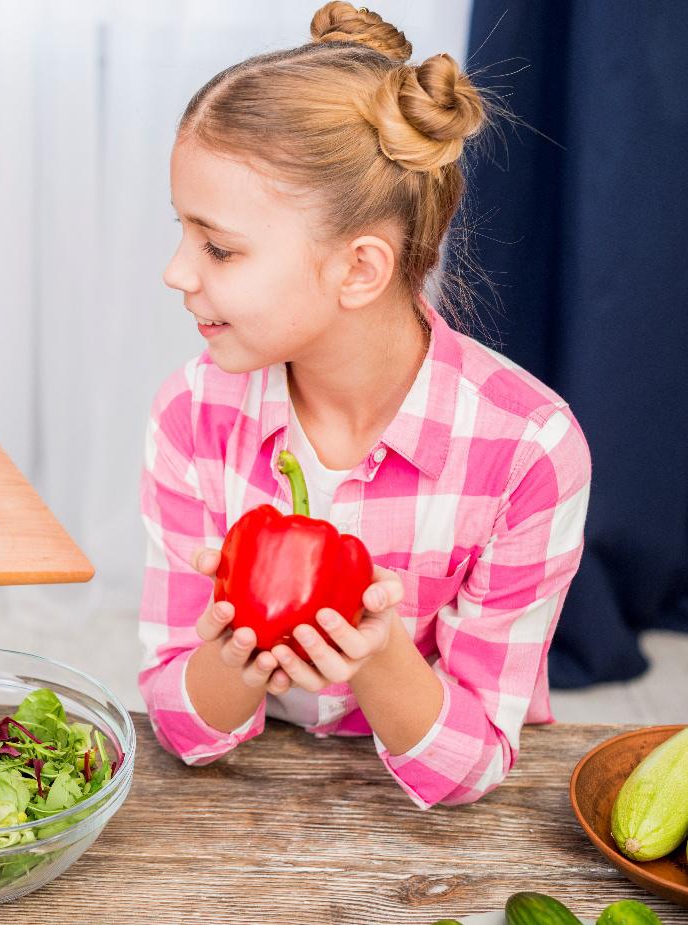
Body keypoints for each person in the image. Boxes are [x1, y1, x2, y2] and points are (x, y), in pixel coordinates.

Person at [138, 2, 592, 807]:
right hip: (256, 798)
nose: (177, 272)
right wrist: (228, 661)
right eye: (181, 231)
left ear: (359, 269)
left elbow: (474, 767)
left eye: (218, 246)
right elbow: (181, 728)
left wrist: (377, 656)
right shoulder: (191, 416)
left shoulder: (530, 451)